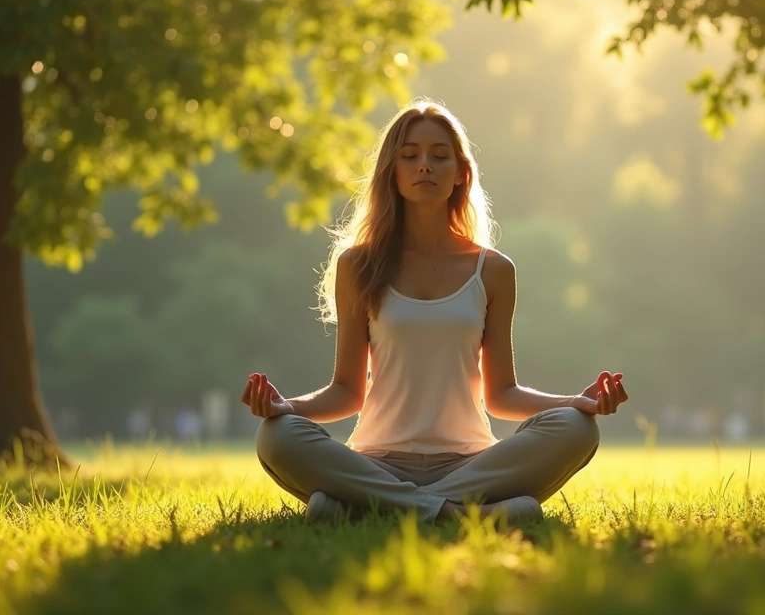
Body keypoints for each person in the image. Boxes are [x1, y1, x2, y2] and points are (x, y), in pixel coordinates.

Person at [243, 99, 629, 525]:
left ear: (461, 173)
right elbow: (347, 391)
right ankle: (458, 516)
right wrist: (285, 407)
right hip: (376, 462)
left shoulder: (494, 270)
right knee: (277, 435)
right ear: (392, 170)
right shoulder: (358, 266)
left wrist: (576, 402)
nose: (424, 165)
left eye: (439, 156)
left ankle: (366, 510)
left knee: (577, 428)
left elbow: (500, 394)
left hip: (468, 466)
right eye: (410, 156)